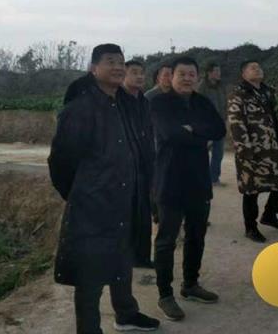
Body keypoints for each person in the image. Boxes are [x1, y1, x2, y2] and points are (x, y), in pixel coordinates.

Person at [48, 45, 159, 333]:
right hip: (93, 204)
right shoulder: (80, 108)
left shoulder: (124, 104)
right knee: (91, 272)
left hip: (125, 198)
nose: (118, 67)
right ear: (93, 68)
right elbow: (60, 162)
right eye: (110, 62)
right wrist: (82, 194)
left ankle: (126, 313)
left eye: (121, 62)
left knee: (123, 259)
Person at [150, 57, 226, 321]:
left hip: (198, 180)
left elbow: (219, 130)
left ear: (197, 77)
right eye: (181, 74)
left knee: (197, 235)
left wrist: (192, 129)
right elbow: (169, 133)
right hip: (170, 180)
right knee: (166, 240)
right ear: (171, 76)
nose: (187, 78)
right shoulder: (159, 103)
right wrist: (200, 135)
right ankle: (165, 294)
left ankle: (190, 284)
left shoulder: (202, 102)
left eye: (191, 74)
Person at [227, 60, 278, 243]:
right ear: (244, 74)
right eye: (252, 68)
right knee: (252, 189)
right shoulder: (238, 95)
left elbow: (275, 119)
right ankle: (250, 227)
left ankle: (269, 215)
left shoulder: (268, 92)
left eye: (259, 67)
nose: (257, 69)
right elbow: (236, 123)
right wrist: (245, 149)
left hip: (274, 148)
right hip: (252, 149)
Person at [123, 60, 155, 269]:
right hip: (125, 167)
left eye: (142, 73)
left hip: (145, 164)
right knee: (125, 214)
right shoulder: (117, 101)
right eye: (134, 72)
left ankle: (141, 257)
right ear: (124, 76)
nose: (139, 76)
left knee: (143, 214)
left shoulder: (144, 101)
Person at [197, 62, 227, 186]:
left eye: (219, 71)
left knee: (218, 153)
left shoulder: (221, 86)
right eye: (216, 71)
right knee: (202, 153)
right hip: (207, 125)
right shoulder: (202, 87)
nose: (219, 73)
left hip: (219, 124)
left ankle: (214, 178)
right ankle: (200, 178)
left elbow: (225, 104)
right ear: (209, 73)